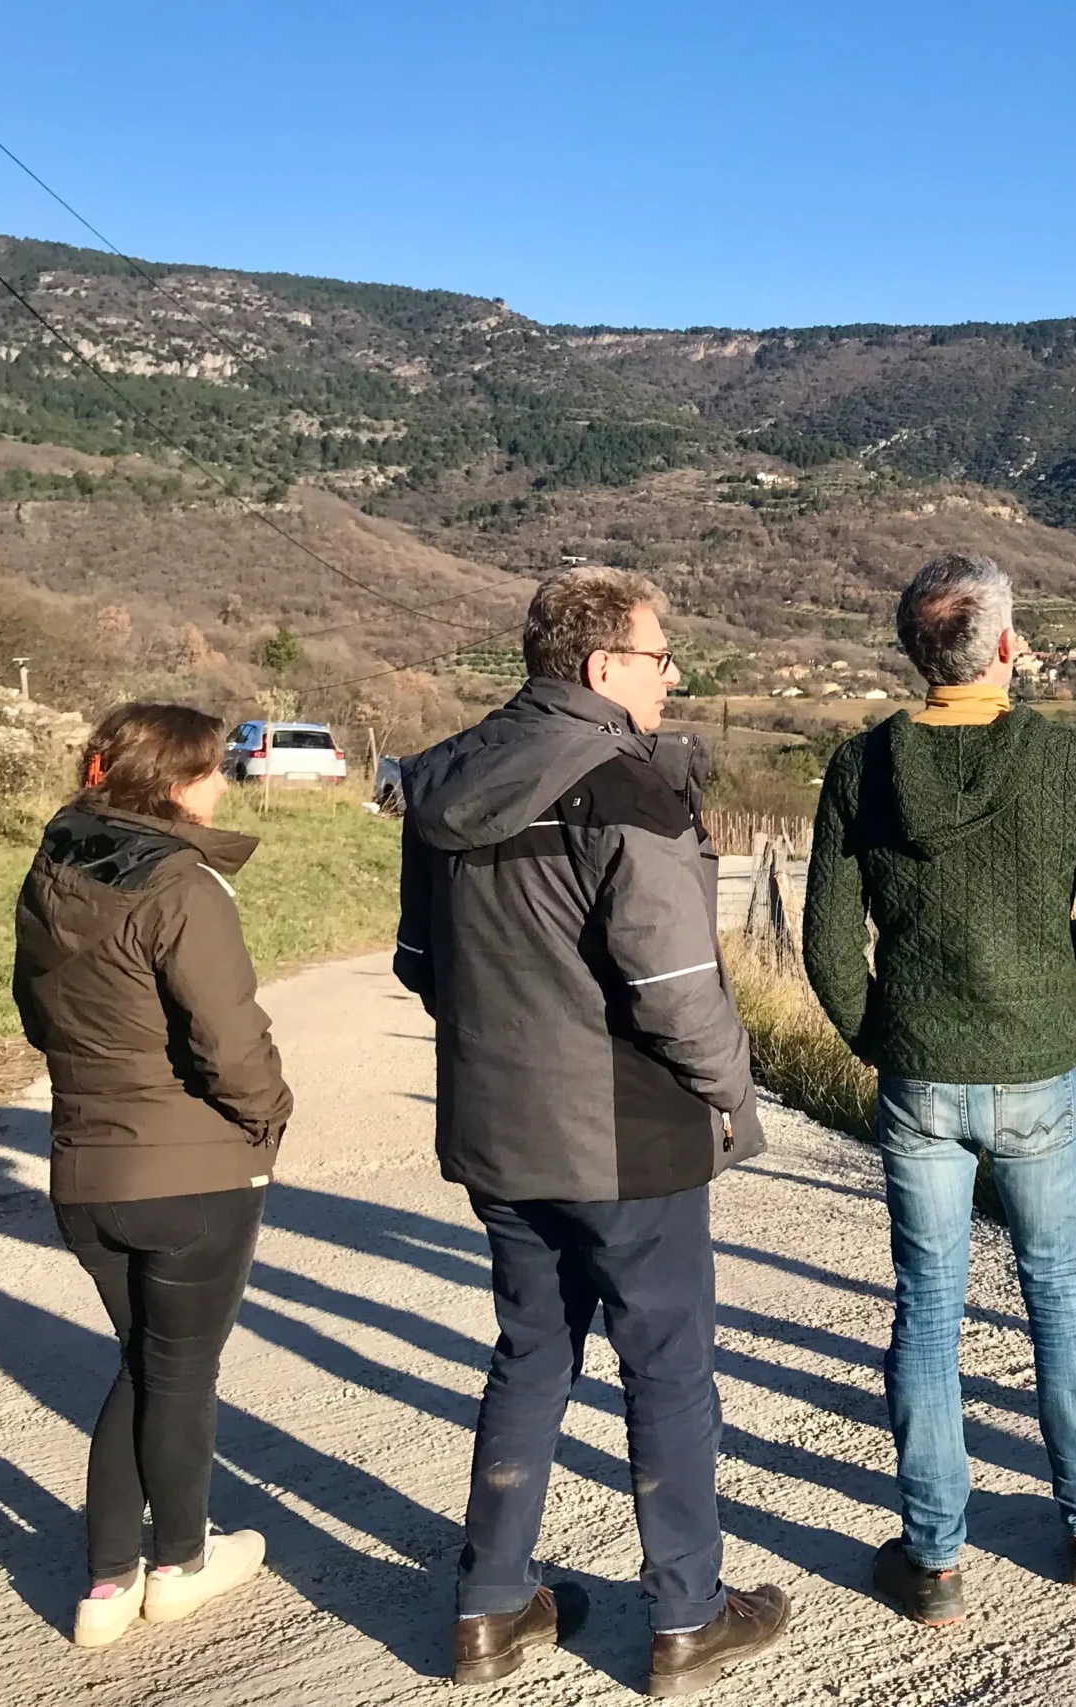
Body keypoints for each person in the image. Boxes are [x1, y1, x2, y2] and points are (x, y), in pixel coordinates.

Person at [394, 568, 788, 1694]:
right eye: (661, 658)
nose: (672, 677)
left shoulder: (442, 785)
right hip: (624, 1137)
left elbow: (421, 966)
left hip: (497, 1129)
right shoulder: (627, 785)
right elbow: (673, 983)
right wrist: (732, 1094)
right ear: (603, 666)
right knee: (667, 1366)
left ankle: (490, 1606)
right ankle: (687, 1615)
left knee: (529, 1351)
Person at [802, 551, 1076, 1627]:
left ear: (918, 653)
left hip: (920, 1075)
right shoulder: (1070, 762)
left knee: (927, 1310)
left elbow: (823, 943)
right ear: (1004, 646)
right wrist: (1050, 982)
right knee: (1057, 1296)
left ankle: (936, 1556)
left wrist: (884, 1034)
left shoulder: (860, 769)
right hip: (1037, 1066)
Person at [13, 703, 292, 1647]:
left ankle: (105, 1584)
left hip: (84, 1173)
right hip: (191, 1177)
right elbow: (231, 1040)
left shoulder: (54, 870)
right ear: (177, 784)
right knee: (179, 1374)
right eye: (215, 770)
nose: (225, 785)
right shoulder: (183, 888)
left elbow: (35, 1015)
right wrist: (267, 1119)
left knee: (143, 1366)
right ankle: (178, 1561)